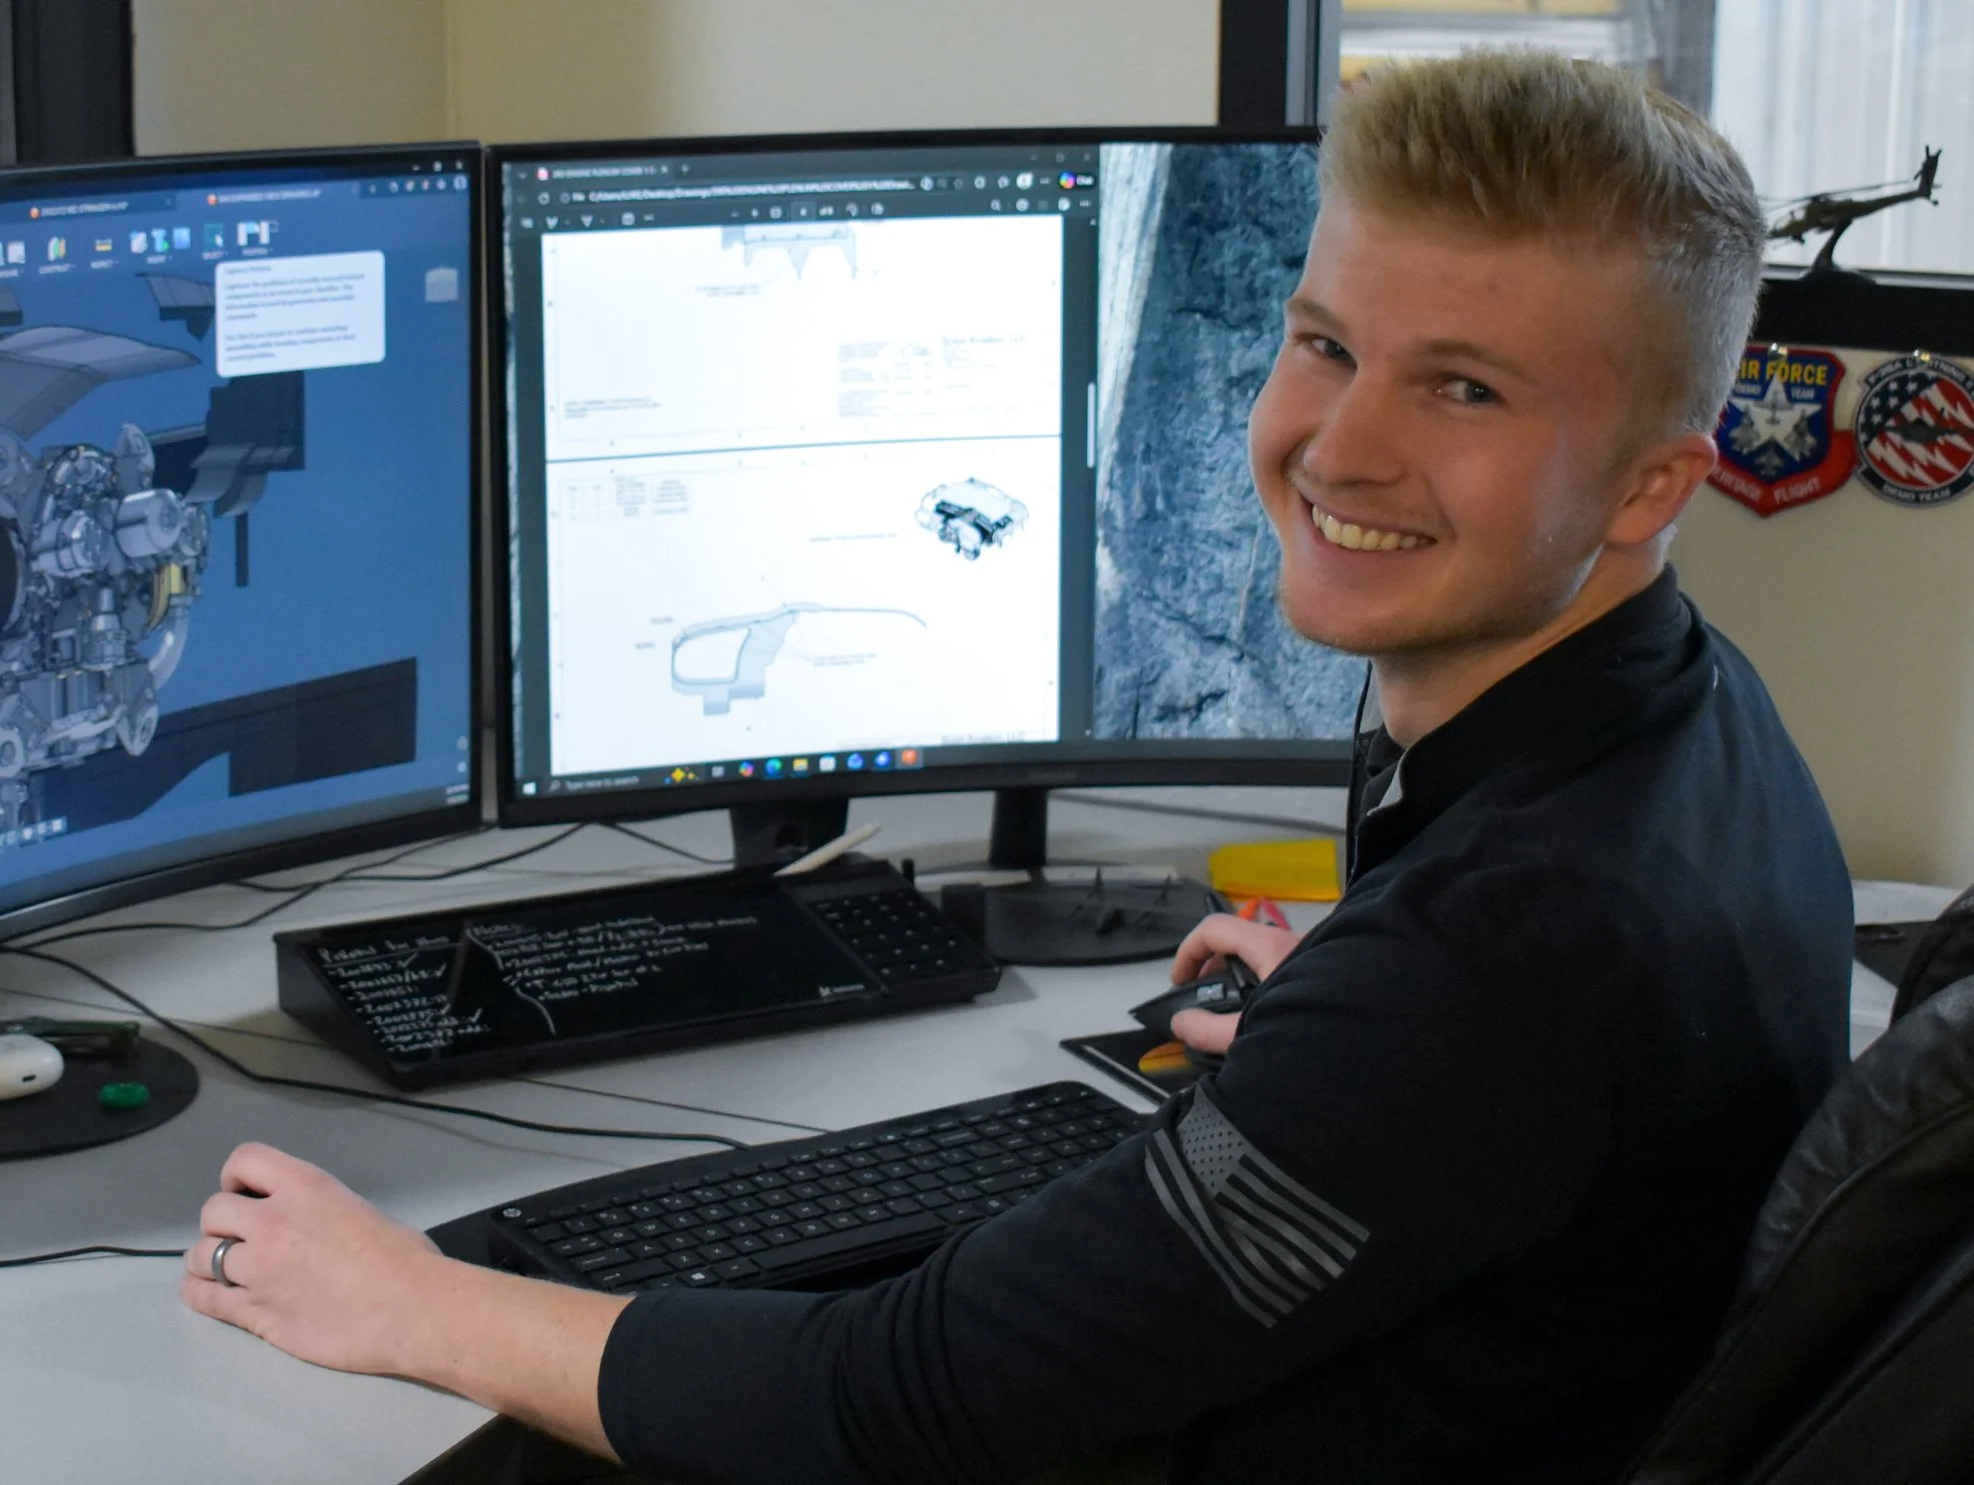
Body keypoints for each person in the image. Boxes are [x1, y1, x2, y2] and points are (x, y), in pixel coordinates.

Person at [177, 52, 1853, 1485]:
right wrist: (1348, 1031)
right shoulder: (1699, 728)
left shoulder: (1495, 969)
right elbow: (1520, 1084)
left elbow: (884, 1402)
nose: (1340, 450)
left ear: (1651, 486)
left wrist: (410, 1301)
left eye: (1465, 390)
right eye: (1327, 344)